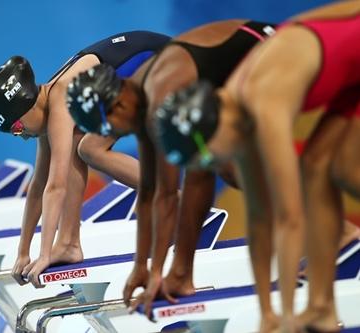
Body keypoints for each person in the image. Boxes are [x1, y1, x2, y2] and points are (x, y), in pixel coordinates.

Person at [154, 1, 360, 331]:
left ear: (214, 128)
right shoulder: (236, 115)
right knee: (316, 169)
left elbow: (289, 219)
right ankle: (320, 308)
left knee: (342, 174)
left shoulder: (264, 106)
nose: (213, 166)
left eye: (207, 158)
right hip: (343, 66)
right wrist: (268, 314)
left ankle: (311, 307)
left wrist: (287, 316)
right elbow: (261, 222)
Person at [66, 19, 277, 329]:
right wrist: (142, 267)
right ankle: (181, 275)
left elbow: (168, 196)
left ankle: (333, 237)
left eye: (107, 127)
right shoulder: (139, 98)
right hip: (240, 68)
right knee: (209, 164)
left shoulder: (157, 100)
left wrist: (157, 272)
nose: (108, 135)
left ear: (119, 104)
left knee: (231, 166)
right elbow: (152, 193)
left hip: (271, 51)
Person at [0, 31, 170, 287]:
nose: (21, 136)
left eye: (16, 128)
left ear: (27, 106)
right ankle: (69, 243)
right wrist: (23, 251)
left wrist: (44, 254)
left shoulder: (61, 97)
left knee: (90, 149)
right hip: (146, 72)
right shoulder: (46, 102)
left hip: (167, 64)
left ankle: (171, 197)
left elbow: (56, 185)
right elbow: (38, 186)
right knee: (76, 142)